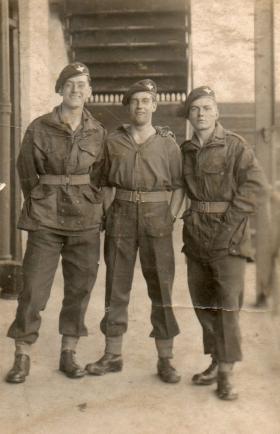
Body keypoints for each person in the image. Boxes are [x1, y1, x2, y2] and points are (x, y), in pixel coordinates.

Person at [6, 62, 106, 383]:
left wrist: (92, 203)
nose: (76, 90)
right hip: (46, 218)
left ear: (89, 91)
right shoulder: (39, 127)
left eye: (82, 84)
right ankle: (22, 355)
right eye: (70, 84)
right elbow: (25, 171)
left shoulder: (98, 132)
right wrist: (41, 198)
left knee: (79, 288)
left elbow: (101, 175)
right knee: (33, 288)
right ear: (60, 90)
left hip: (85, 219)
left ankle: (69, 353)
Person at [85, 79, 185, 383]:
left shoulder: (168, 143)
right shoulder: (113, 141)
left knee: (162, 288)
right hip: (121, 215)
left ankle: (165, 358)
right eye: (135, 101)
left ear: (155, 105)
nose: (140, 106)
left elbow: (180, 186)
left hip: (158, 217)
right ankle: (113, 354)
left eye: (146, 100)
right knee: (115, 286)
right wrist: (105, 212)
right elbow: (100, 182)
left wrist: (170, 217)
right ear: (128, 106)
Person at [181, 86, 267, 400]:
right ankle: (216, 362)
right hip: (196, 235)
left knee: (227, 306)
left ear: (217, 112)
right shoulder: (186, 149)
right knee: (203, 302)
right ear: (189, 116)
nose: (201, 113)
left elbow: (255, 185)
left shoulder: (234, 146)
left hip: (228, 237)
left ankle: (227, 375)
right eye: (195, 109)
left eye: (206, 108)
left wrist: (230, 224)